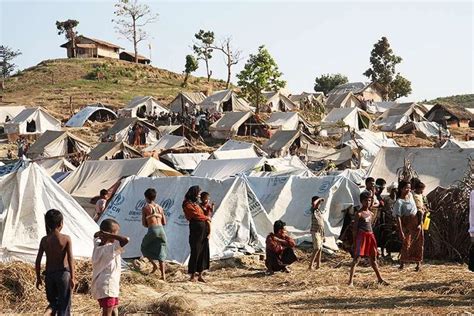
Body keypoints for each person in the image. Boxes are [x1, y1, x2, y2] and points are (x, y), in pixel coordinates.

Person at [35, 209, 75, 316]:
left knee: (53, 303)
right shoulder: (66, 239)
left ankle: (47, 313)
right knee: (64, 306)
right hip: (63, 275)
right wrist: (73, 277)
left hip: (49, 275)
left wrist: (38, 278)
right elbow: (70, 258)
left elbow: (38, 261)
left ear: (47, 224)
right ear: (61, 223)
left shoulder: (44, 240)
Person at [348, 192, 388, 287]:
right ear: (362, 201)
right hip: (361, 237)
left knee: (373, 259)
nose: (368, 202)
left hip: (370, 236)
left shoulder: (371, 213)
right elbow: (354, 229)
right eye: (366, 200)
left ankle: (380, 279)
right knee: (356, 259)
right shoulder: (359, 214)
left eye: (369, 200)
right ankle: (350, 281)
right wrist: (354, 242)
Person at [91, 219, 129, 316]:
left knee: (114, 309)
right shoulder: (109, 249)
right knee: (107, 313)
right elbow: (125, 240)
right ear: (110, 234)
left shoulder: (97, 244)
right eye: (116, 233)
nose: (117, 236)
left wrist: (104, 234)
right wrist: (109, 235)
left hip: (107, 287)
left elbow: (95, 235)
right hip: (108, 287)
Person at [392, 180, 422, 271]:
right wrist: (401, 230)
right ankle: (402, 263)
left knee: (418, 243)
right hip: (407, 224)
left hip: (416, 222)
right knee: (406, 243)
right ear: (401, 189)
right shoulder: (399, 202)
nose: (408, 190)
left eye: (409, 188)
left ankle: (418, 264)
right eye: (406, 188)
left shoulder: (411, 196)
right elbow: (398, 217)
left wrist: (419, 222)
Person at [183, 185, 210, 282]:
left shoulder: (197, 203)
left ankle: (200, 274)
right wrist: (206, 218)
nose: (199, 196)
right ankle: (192, 275)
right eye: (198, 193)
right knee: (196, 250)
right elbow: (195, 215)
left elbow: (203, 213)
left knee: (203, 251)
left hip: (203, 229)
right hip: (195, 229)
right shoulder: (187, 203)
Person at [140, 188, 167, 280]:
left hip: (152, 229)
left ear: (146, 197)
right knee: (161, 251)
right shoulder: (160, 208)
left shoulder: (145, 208)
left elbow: (144, 223)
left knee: (144, 247)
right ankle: (163, 275)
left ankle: (154, 265)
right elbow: (164, 222)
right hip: (161, 230)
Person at [379, 182, 399, 257]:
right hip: (387, 220)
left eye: (396, 190)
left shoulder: (398, 199)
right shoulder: (386, 199)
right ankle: (383, 252)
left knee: (392, 237)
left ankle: (389, 252)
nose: (395, 191)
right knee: (385, 236)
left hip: (395, 220)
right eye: (394, 190)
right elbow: (383, 209)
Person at [308, 196, 325, 270]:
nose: (319, 204)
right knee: (317, 248)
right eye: (318, 203)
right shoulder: (313, 210)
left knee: (320, 248)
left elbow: (322, 224)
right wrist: (319, 199)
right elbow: (314, 204)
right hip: (315, 231)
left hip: (320, 232)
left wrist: (324, 235)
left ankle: (318, 265)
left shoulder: (319, 211)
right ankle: (310, 265)